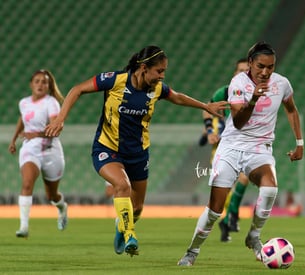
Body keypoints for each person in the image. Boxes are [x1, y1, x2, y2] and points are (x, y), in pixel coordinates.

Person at [44, 45, 227, 257]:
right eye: (159, 71)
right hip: (107, 148)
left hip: (138, 154)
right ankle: (130, 234)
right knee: (122, 186)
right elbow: (78, 89)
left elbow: (178, 97)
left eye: (164, 71)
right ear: (143, 68)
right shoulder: (115, 80)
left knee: (137, 208)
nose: (162, 75)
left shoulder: (157, 89)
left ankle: (121, 225)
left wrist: (206, 107)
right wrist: (60, 118)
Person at [177, 41, 304, 266]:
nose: (265, 72)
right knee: (215, 210)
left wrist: (299, 143)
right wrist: (254, 98)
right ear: (251, 65)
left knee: (270, 188)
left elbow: (291, 109)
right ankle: (192, 251)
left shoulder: (282, 84)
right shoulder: (238, 83)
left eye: (271, 67)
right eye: (261, 66)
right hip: (231, 147)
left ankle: (254, 236)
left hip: (260, 148)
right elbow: (238, 121)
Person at [8, 69, 68, 238]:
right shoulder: (24, 103)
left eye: (44, 82)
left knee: (52, 195)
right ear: (31, 84)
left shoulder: (51, 103)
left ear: (49, 86)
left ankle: (62, 206)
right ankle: (24, 227)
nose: (40, 84)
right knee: (27, 183)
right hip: (30, 149)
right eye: (37, 81)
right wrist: (13, 140)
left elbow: (56, 130)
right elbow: (22, 119)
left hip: (51, 152)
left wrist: (37, 134)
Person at [200, 58, 250, 242]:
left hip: (247, 145)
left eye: (246, 70)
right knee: (224, 189)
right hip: (226, 146)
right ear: (234, 73)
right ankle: (225, 220)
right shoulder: (226, 91)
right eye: (240, 70)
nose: (243, 73)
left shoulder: (255, 92)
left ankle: (230, 218)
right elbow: (207, 109)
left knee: (244, 178)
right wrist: (210, 130)